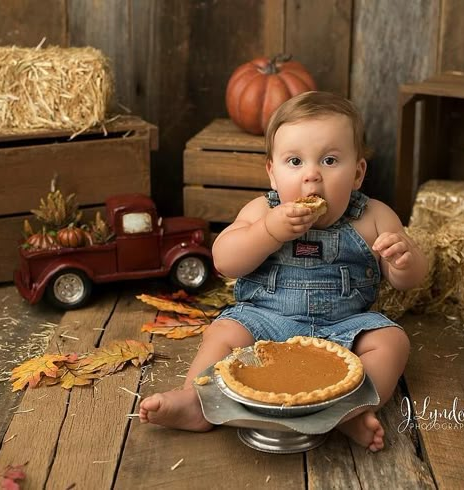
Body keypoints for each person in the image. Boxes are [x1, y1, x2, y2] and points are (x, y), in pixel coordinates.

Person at [139, 91, 429, 452]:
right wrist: (268, 232)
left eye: (329, 160)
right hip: (265, 323)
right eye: (294, 161)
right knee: (224, 331)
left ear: (357, 173)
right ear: (272, 173)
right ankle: (199, 403)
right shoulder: (261, 210)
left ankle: (348, 409)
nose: (312, 176)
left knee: (392, 342)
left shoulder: (374, 217)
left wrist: (404, 260)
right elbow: (224, 260)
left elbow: (407, 281)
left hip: (343, 329)